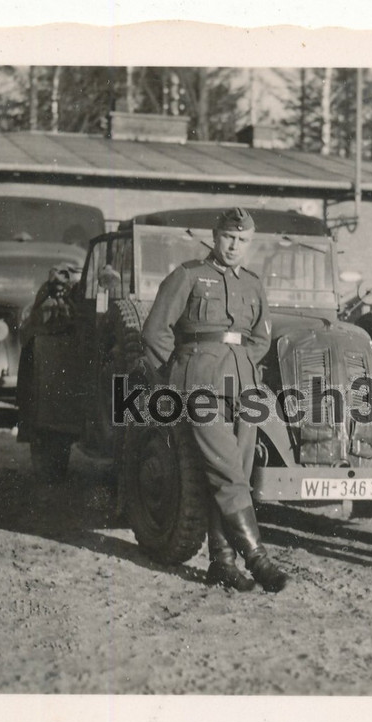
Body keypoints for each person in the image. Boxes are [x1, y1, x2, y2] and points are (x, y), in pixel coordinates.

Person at [140, 208, 288, 593]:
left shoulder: (253, 285)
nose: (234, 246)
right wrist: (178, 374)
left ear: (250, 244)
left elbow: (260, 339)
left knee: (233, 473)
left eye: (242, 241)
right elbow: (156, 332)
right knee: (228, 473)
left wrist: (237, 365)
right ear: (215, 236)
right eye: (228, 237)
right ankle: (257, 558)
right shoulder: (188, 276)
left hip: (244, 388)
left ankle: (222, 562)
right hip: (198, 385)